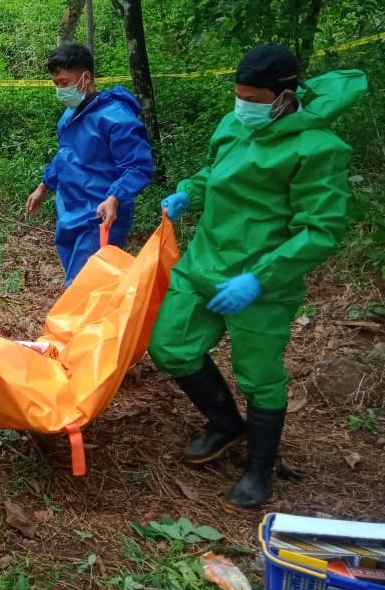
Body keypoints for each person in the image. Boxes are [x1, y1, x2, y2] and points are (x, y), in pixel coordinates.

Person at [149, 45, 366, 511]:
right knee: (169, 344)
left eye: (252, 98)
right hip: (204, 264)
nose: (242, 106)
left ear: (285, 97)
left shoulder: (318, 149)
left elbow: (320, 230)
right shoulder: (235, 125)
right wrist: (186, 192)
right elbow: (212, 172)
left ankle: (260, 468)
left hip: (261, 284)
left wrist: (258, 279)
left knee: (259, 375)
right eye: (239, 96)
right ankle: (226, 424)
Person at [25, 44, 154, 285]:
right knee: (84, 283)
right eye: (56, 84)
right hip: (69, 212)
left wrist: (116, 196)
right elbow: (65, 156)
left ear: (86, 77)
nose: (60, 90)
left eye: (64, 83)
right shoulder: (69, 116)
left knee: (84, 286)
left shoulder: (116, 117)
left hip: (101, 214)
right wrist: (44, 186)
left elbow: (138, 166)